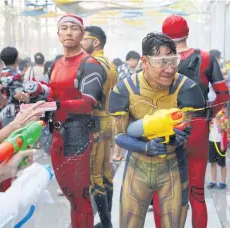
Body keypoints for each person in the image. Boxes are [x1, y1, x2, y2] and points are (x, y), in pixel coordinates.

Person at [108, 32, 205, 228]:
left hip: (173, 166)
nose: (170, 69)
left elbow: (184, 130)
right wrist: (145, 148)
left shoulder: (186, 87)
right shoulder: (124, 89)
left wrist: (181, 135)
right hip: (137, 167)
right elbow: (119, 136)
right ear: (145, 61)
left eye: (173, 61)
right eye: (162, 62)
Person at [160, 15, 230, 228]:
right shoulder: (206, 58)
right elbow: (223, 94)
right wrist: (207, 114)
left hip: (164, 126)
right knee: (197, 193)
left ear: (163, 37)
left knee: (164, 194)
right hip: (197, 125)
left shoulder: (157, 61)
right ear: (187, 33)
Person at [47, 14, 106, 228]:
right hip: (57, 136)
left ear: (82, 34)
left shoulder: (90, 64)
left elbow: (88, 102)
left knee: (80, 197)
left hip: (80, 135)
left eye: (74, 28)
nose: (69, 32)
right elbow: (50, 95)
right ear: (58, 34)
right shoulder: (56, 64)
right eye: (64, 28)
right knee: (70, 196)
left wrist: (57, 105)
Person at [81, 25, 118, 228]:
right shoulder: (109, 63)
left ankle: (106, 223)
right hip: (107, 120)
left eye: (84, 39)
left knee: (95, 175)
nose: (80, 42)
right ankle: (107, 221)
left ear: (95, 42)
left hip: (94, 121)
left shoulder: (93, 63)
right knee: (105, 172)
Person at [0, 47, 30, 127]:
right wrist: (27, 97)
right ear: (17, 59)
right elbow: (17, 94)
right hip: (13, 113)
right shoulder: (14, 75)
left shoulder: (0, 74)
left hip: (2, 112)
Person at [207, 105, 229, 190]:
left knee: (222, 163)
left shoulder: (224, 118)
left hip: (221, 142)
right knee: (212, 162)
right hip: (211, 141)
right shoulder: (210, 117)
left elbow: (221, 130)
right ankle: (214, 180)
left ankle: (223, 182)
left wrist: (218, 120)